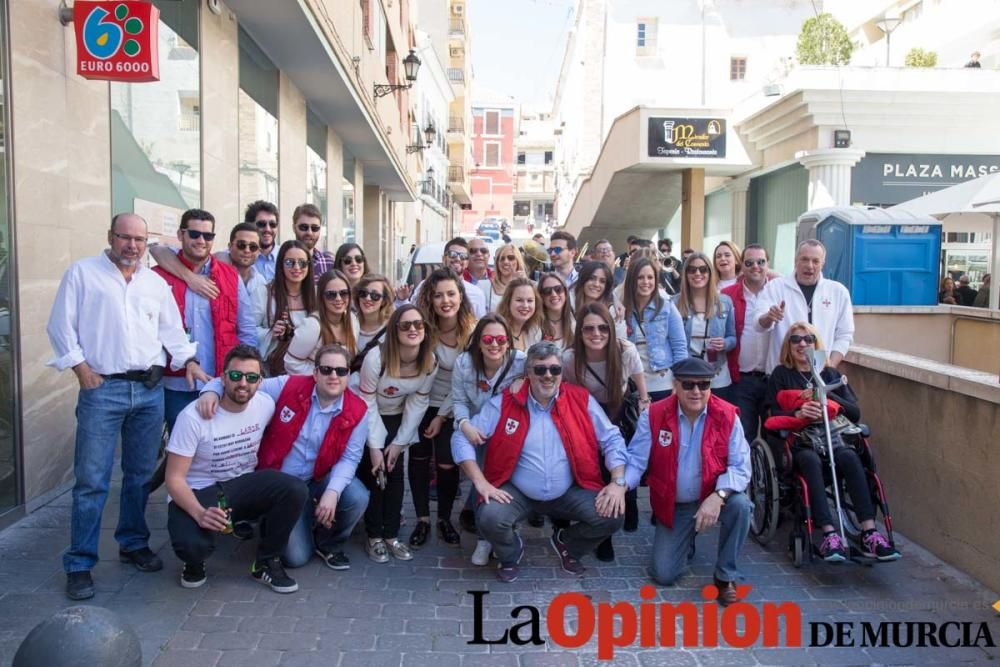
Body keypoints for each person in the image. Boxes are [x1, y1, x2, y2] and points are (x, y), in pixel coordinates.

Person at [46, 213, 209, 601]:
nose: (132, 246)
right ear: (110, 237)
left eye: (139, 239)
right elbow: (59, 326)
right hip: (103, 389)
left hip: (149, 390)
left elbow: (172, 328)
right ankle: (80, 563)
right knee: (91, 481)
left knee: (138, 476)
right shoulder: (82, 274)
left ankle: (133, 543)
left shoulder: (154, 283)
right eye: (125, 238)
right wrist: (81, 368)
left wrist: (188, 359)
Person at [452, 341, 628, 583]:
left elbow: (612, 439)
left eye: (554, 370)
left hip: (568, 491)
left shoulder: (580, 399)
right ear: (528, 373)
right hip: (517, 492)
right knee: (490, 516)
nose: (548, 376)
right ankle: (510, 553)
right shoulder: (505, 402)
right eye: (540, 369)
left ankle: (568, 545)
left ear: (561, 373)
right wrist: (480, 483)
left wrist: (618, 480)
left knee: (613, 514)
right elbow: (461, 438)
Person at [195, 344, 370, 571]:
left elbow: (350, 458)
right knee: (296, 558)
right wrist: (210, 391)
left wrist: (332, 493)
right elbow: (244, 382)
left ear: (348, 374)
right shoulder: (289, 385)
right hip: (281, 484)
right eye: (326, 370)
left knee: (357, 497)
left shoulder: (358, 410)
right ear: (315, 373)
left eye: (341, 371)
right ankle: (279, 516)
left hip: (317, 478)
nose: (333, 376)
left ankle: (328, 544)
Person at [164, 345, 307, 593]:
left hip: (242, 487)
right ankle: (194, 562)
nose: (243, 383)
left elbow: (309, 382)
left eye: (251, 377)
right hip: (200, 491)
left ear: (260, 381)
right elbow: (174, 479)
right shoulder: (193, 418)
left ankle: (265, 563)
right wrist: (199, 513)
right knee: (192, 546)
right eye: (235, 376)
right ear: (223, 378)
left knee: (294, 489)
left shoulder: (265, 404)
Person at [764, 323, 900, 562]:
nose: (802, 344)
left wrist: (826, 394)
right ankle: (829, 534)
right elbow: (770, 413)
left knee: (850, 456)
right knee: (810, 460)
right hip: (802, 441)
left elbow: (854, 412)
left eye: (808, 339)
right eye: (796, 339)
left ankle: (869, 531)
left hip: (833, 439)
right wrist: (798, 413)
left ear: (816, 344)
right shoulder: (781, 375)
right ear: (789, 345)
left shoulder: (831, 374)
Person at [625, 357, 751, 605]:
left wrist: (719, 496)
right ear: (675, 385)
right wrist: (619, 487)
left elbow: (741, 466)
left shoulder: (727, 415)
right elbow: (636, 462)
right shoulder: (653, 415)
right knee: (663, 574)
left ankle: (725, 576)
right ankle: (687, 538)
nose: (696, 391)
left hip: (714, 495)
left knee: (741, 506)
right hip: (676, 503)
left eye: (703, 385)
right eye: (689, 384)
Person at [152, 209, 258, 431]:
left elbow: (246, 328)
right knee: (178, 449)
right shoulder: (158, 276)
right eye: (194, 234)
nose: (201, 240)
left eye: (207, 236)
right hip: (175, 384)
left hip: (218, 382)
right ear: (181, 235)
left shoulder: (230, 276)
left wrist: (246, 375)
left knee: (216, 451)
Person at [563, 302, 649, 555]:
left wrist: (644, 405)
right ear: (580, 333)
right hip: (588, 416)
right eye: (588, 329)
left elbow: (639, 381)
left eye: (602, 328)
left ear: (611, 330)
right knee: (598, 469)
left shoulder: (625, 350)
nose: (596, 334)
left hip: (619, 410)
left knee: (625, 461)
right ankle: (604, 534)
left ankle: (629, 501)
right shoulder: (570, 359)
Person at [357, 305, 438, 563]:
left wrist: (399, 443)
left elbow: (418, 403)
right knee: (374, 473)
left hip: (398, 416)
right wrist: (375, 445)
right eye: (405, 325)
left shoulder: (430, 361)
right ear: (394, 329)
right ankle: (373, 536)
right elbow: (366, 403)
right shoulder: (375, 359)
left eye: (418, 324)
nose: (412, 329)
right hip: (368, 413)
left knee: (394, 472)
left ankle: (391, 535)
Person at [451, 314, 526, 564]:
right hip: (477, 427)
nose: (495, 344)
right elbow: (459, 401)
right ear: (479, 342)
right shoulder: (464, 363)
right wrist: (464, 425)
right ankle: (484, 538)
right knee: (479, 476)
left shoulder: (520, 362)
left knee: (511, 477)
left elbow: (550, 366)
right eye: (488, 339)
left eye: (501, 339)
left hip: (510, 429)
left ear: (508, 342)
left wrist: (524, 379)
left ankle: (510, 529)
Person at [410, 269, 476, 548]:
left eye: (451, 293)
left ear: (461, 296)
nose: (445, 300)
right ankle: (422, 519)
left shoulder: (472, 331)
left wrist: (441, 415)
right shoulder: (422, 327)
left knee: (448, 464)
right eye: (438, 295)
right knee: (419, 461)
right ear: (430, 299)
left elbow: (464, 383)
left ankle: (445, 519)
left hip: (453, 405)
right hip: (420, 402)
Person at [754, 239, 854, 372]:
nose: (810, 266)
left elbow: (845, 335)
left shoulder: (838, 292)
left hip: (820, 374)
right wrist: (769, 317)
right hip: (782, 373)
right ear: (796, 260)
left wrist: (829, 367)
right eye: (804, 259)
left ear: (823, 263)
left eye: (815, 261)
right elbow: (758, 325)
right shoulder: (775, 287)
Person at [721, 244, 776, 443]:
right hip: (741, 379)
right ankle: (747, 475)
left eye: (761, 262)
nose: (756, 267)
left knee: (776, 437)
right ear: (741, 266)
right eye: (749, 262)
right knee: (743, 436)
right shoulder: (727, 295)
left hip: (773, 378)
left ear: (768, 264)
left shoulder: (778, 290)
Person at [622, 256, 688, 402]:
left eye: (650, 277)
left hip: (663, 384)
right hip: (632, 386)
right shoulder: (622, 310)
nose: (646, 282)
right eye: (640, 277)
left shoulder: (667, 307)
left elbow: (680, 347)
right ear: (632, 280)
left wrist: (679, 382)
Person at [673, 252, 737, 402]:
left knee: (718, 419)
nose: (697, 273)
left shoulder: (725, 302)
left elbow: (733, 337)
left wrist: (725, 343)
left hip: (718, 374)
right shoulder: (674, 303)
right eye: (692, 270)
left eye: (703, 269)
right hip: (688, 376)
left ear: (710, 273)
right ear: (685, 274)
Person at [257, 240, 316, 374]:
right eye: (289, 262)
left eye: (302, 263)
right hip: (275, 371)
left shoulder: (316, 295)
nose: (296, 267)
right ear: (280, 265)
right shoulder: (263, 293)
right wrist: (270, 333)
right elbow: (248, 331)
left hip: (309, 370)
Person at [286, 269, 358, 374]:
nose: (338, 299)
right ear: (321, 297)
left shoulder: (353, 320)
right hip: (314, 386)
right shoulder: (312, 326)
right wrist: (322, 376)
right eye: (331, 294)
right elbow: (291, 363)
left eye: (344, 293)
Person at [400, 238, 487, 317]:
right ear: (443, 258)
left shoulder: (476, 294)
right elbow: (412, 315)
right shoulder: (425, 285)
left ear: (467, 263)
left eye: (463, 256)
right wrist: (402, 301)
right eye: (452, 254)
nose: (458, 259)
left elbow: (479, 327)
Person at [353, 273, 395, 375]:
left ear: (384, 301)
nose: (368, 298)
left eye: (375, 296)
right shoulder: (349, 321)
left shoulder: (392, 329)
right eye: (363, 293)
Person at [572, 261, 626, 339]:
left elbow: (620, 342)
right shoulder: (570, 305)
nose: (596, 284)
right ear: (583, 280)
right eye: (592, 278)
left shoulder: (613, 311)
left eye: (602, 281)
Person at [497, 277, 544, 352]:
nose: (525, 305)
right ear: (508, 302)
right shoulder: (496, 331)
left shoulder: (535, 331)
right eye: (519, 300)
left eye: (530, 300)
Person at [292, 203, 335, 281]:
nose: (309, 232)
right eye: (304, 227)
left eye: (314, 228)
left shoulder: (330, 263)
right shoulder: (283, 261)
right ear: (294, 228)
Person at [486, 244, 527, 312]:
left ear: (518, 261)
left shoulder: (530, 286)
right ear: (497, 262)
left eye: (510, 258)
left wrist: (523, 284)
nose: (505, 262)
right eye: (501, 258)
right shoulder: (485, 285)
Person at [246, 200, 280, 283]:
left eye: (272, 224)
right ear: (249, 225)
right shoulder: (237, 255)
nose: (267, 229)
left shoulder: (286, 255)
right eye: (261, 224)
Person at [539, 272, 574, 350]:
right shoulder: (536, 325)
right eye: (547, 291)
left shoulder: (575, 320)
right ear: (541, 296)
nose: (554, 294)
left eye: (558, 289)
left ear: (565, 292)